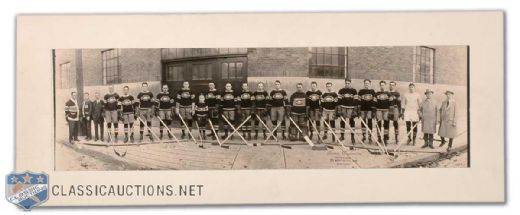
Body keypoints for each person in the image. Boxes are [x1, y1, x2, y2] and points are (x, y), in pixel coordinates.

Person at [337, 79, 358, 144]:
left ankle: (352, 137)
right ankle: (342, 136)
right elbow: (339, 101)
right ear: (344, 83)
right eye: (346, 83)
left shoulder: (354, 91)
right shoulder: (341, 90)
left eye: (348, 83)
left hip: (351, 108)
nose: (347, 84)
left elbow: (356, 101)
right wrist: (339, 109)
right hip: (343, 107)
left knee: (351, 122)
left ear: (350, 83)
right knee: (342, 121)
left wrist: (355, 110)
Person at [358, 79, 376, 144]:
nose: (366, 84)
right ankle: (364, 136)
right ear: (364, 84)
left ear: (370, 84)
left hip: (369, 109)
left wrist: (374, 110)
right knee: (363, 122)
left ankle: (370, 136)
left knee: (369, 122)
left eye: (367, 83)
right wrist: (358, 109)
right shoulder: (361, 91)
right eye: (365, 83)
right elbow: (359, 101)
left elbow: (374, 101)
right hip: (363, 109)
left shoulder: (372, 91)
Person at [375, 81, 391, 145]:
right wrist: (374, 111)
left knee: (386, 124)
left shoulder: (388, 93)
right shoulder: (377, 94)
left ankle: (385, 138)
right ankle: (379, 138)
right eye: (381, 85)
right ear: (380, 86)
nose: (382, 86)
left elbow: (391, 103)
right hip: (378, 110)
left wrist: (391, 111)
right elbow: (374, 102)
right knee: (378, 124)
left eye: (383, 85)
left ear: (385, 85)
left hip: (386, 110)